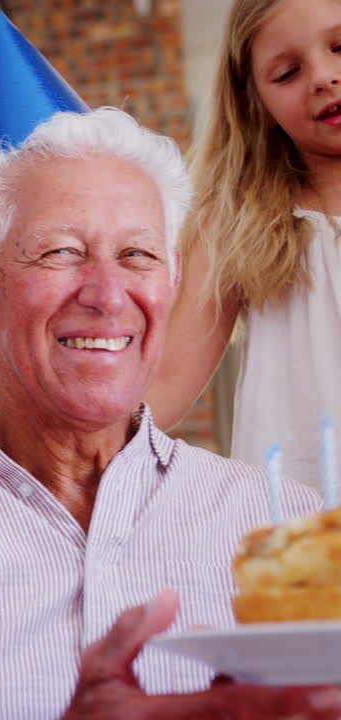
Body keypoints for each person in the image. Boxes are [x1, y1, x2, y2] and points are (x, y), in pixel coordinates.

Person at [0, 8, 334, 719]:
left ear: (172, 282)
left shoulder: (283, 524)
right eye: (61, 252)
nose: (107, 294)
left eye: (136, 254)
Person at [147, 0, 341, 493]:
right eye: (288, 73)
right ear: (255, 101)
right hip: (300, 516)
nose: (323, 77)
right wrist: (57, 443)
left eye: (340, 47)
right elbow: (167, 382)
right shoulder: (234, 224)